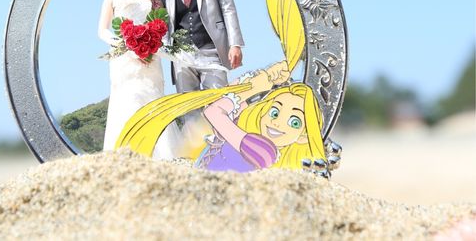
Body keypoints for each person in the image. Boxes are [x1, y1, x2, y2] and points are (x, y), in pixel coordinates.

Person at [115, 61, 327, 172]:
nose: (277, 122)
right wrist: (264, 76)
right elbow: (229, 96)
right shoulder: (248, 130)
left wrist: (256, 87)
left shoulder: (264, 152)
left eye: (294, 122)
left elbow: (214, 112)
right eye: (274, 111)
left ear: (304, 135)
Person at [98, 0, 180, 159]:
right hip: (124, 61)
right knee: (127, 102)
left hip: (151, 60)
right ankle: (126, 157)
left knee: (152, 100)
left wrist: (152, 49)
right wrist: (127, 47)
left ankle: (161, 157)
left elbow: (162, 29)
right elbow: (102, 31)